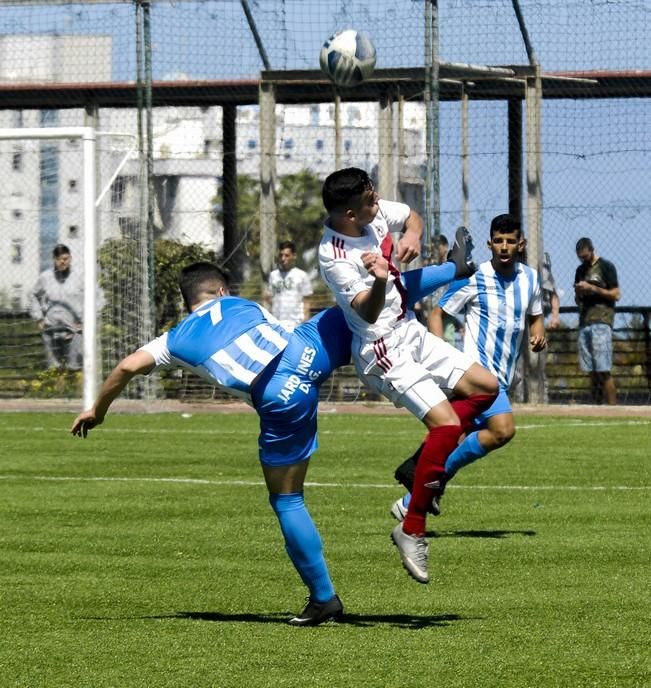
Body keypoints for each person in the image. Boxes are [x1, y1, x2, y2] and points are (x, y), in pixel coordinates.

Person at [70, 254, 468, 623]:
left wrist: (97, 410)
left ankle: (323, 598)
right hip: (305, 350)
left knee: (287, 498)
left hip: (280, 395)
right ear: (222, 291)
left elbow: (126, 367)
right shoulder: (241, 305)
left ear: (187, 301)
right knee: (359, 310)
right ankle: (453, 272)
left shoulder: (172, 340)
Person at [318, 167, 498, 584]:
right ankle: (412, 526)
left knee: (486, 388)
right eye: (369, 198)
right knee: (448, 424)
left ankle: (422, 470)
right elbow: (364, 309)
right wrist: (380, 278)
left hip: (408, 329)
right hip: (381, 348)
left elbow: (411, 216)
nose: (377, 200)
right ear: (349, 211)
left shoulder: (373, 212)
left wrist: (412, 235)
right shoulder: (334, 255)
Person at [391, 213, 547, 522]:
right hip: (476, 375)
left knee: (455, 438)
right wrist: (443, 356)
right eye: (498, 241)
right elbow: (437, 314)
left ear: (521, 244)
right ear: (490, 244)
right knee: (503, 430)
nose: (504, 247)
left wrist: (538, 332)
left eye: (510, 241)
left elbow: (535, 314)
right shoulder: (474, 276)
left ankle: (413, 499)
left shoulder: (530, 279)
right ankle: (430, 482)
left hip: (504, 376)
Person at [574, 237, 620, 405]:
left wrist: (593, 288)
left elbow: (616, 294)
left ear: (592, 251)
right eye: (580, 257)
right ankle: (597, 407)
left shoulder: (606, 267)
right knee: (590, 370)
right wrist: (579, 292)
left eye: (585, 257)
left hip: (602, 320)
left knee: (603, 368)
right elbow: (577, 300)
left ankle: (613, 408)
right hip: (584, 321)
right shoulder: (580, 270)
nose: (583, 260)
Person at [30, 244, 84, 371]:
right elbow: (33, 295)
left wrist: (85, 321)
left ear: (70, 258)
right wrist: (39, 318)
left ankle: (76, 389)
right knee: (54, 370)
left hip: (73, 331)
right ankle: (57, 391)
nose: (63, 261)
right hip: (50, 331)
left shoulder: (80, 277)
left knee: (74, 369)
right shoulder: (45, 277)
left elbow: (93, 298)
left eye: (66, 258)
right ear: (54, 259)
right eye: (59, 259)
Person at [264, 241, 313, 331]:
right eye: (281, 255)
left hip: (296, 323)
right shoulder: (273, 275)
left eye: (287, 255)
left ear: (294, 256)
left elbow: (307, 301)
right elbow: (268, 296)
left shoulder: (302, 275)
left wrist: (305, 321)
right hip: (276, 322)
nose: (283, 258)